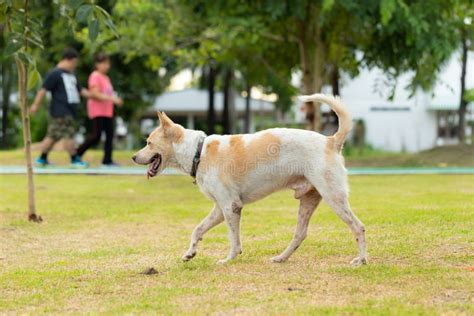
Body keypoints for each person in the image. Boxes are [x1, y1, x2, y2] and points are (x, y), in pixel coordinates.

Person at [30, 48, 90, 167]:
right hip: (60, 110)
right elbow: (43, 90)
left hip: (70, 111)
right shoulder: (55, 73)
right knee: (68, 134)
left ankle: (42, 158)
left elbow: (81, 90)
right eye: (74, 63)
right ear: (68, 60)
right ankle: (74, 159)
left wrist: (97, 96)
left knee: (53, 135)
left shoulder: (72, 75)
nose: (74, 66)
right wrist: (35, 105)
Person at [76, 52, 123, 166]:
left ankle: (107, 160)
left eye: (108, 63)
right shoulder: (95, 76)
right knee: (96, 136)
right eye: (104, 63)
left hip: (107, 111)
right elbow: (95, 94)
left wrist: (114, 99)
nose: (106, 66)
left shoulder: (106, 77)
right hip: (98, 111)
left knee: (110, 135)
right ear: (97, 64)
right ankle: (77, 153)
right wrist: (113, 99)